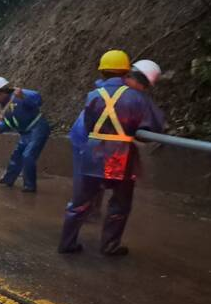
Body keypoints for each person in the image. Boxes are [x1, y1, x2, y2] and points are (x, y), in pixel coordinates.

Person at [59, 51, 165, 256]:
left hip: (92, 153)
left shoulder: (93, 95)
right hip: (121, 157)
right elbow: (151, 130)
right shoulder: (137, 98)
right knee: (120, 204)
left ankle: (66, 243)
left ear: (103, 71)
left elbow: (88, 125)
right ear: (126, 70)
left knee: (79, 203)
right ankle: (109, 246)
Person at [0, 76, 51, 193]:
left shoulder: (21, 93)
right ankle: (8, 179)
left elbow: (39, 101)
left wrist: (23, 97)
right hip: (25, 133)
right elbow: (7, 123)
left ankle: (29, 185)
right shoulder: (5, 105)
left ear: (3, 90)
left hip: (37, 128)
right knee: (16, 156)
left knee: (28, 156)